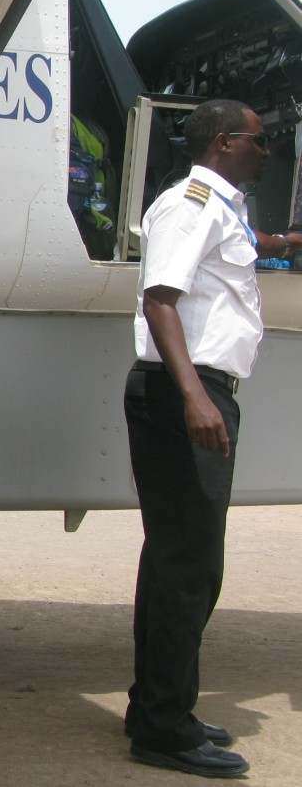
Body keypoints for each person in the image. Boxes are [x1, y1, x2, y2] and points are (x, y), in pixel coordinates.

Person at [123, 98, 299, 778]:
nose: (267, 151)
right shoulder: (189, 202)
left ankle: (160, 711)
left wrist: (289, 243)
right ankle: (162, 729)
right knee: (185, 567)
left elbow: (237, 256)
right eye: (260, 141)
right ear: (224, 142)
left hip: (197, 393)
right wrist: (195, 397)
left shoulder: (219, 207)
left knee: (186, 565)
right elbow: (159, 296)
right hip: (182, 394)